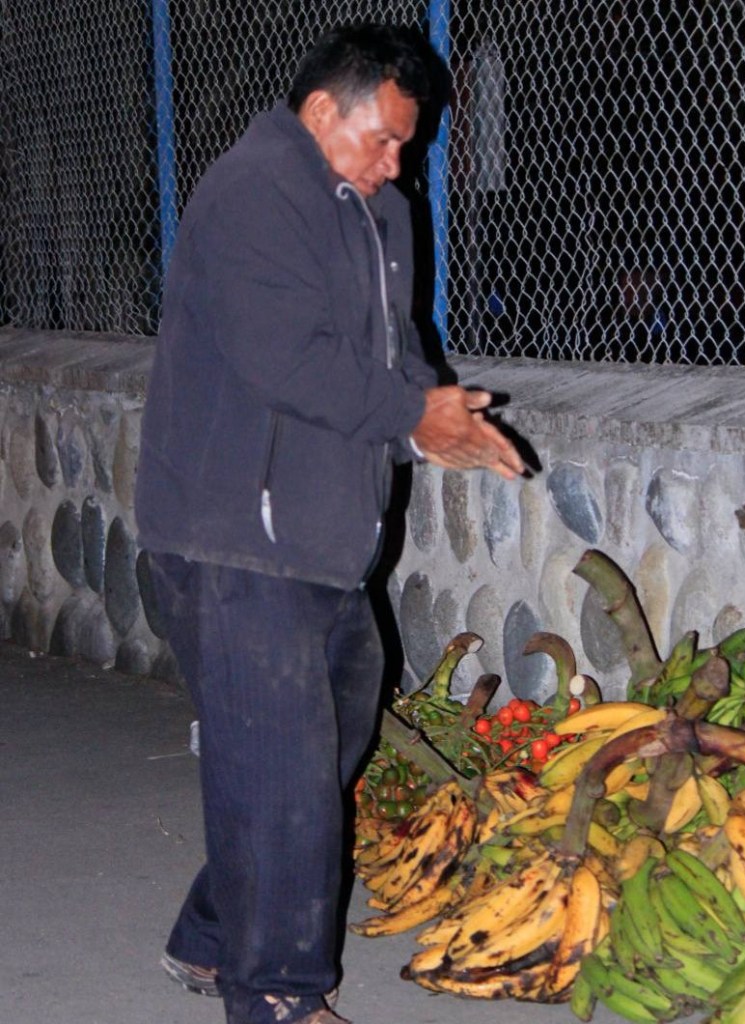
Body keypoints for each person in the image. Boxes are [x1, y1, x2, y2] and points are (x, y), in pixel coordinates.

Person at [133, 22, 524, 1024]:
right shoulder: (252, 195)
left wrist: (439, 420)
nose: (398, 162)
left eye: (406, 143)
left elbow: (397, 351)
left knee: (334, 731)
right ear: (320, 111)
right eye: (383, 139)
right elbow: (283, 356)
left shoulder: (379, 210)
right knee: (284, 777)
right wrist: (411, 416)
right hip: (231, 534)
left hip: (320, 536)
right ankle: (279, 994)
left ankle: (213, 936)